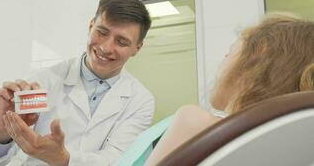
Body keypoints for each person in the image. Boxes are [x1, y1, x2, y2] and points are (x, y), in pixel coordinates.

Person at [0, 0, 155, 166]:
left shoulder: (140, 101)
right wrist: (3, 133)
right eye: (102, 32)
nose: (107, 47)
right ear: (91, 25)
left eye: (121, 42)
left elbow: (119, 159)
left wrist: (64, 159)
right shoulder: (43, 81)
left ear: (137, 48)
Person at [117, 12, 314, 166]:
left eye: (228, 53)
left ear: (255, 61)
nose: (221, 62)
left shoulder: (195, 121)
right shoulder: (286, 149)